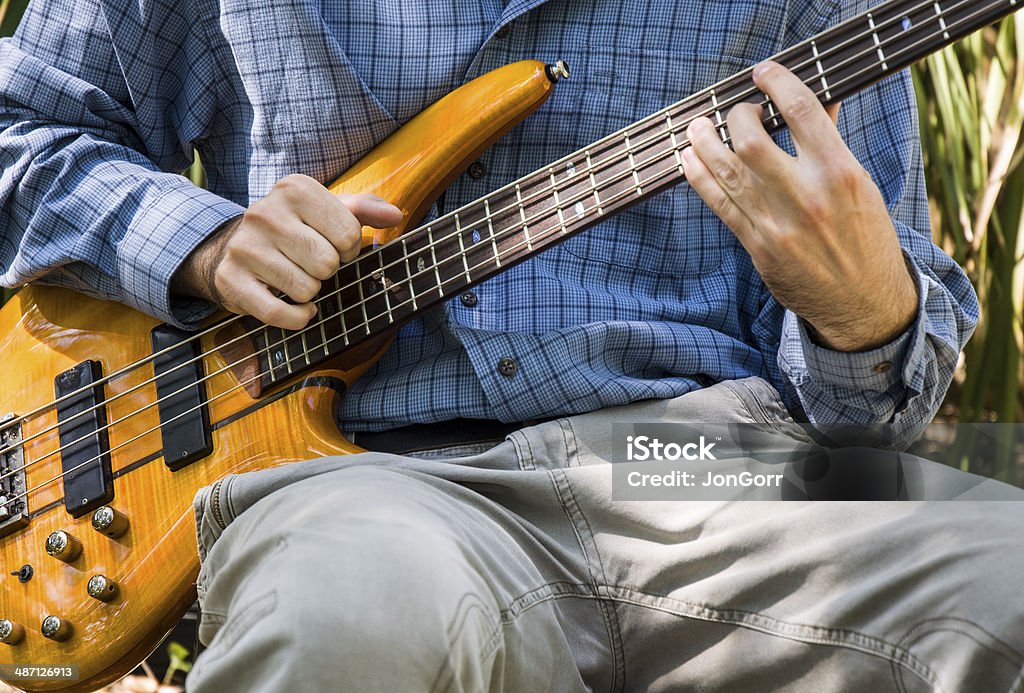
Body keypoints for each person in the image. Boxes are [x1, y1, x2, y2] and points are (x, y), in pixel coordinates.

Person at [1, 0, 1022, 691]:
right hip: (375, 476)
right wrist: (204, 243)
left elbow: (875, 406)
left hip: (703, 466)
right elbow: (20, 131)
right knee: (341, 612)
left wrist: (863, 316)